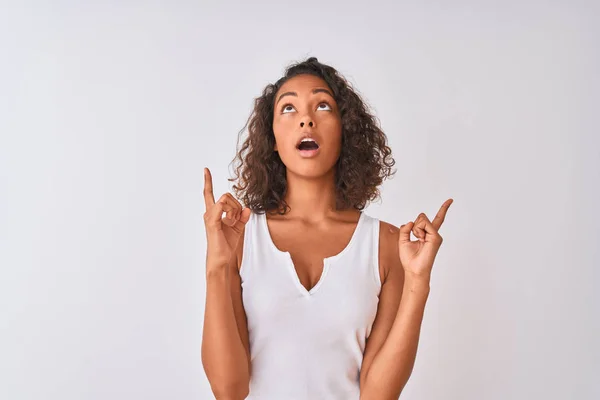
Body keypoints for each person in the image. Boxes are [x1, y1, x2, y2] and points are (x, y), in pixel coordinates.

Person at [201, 57, 453, 400]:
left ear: (344, 129)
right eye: (288, 108)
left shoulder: (387, 244)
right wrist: (217, 265)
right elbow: (228, 390)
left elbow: (379, 394)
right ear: (272, 138)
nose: (306, 119)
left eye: (322, 106)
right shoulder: (239, 237)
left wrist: (418, 282)